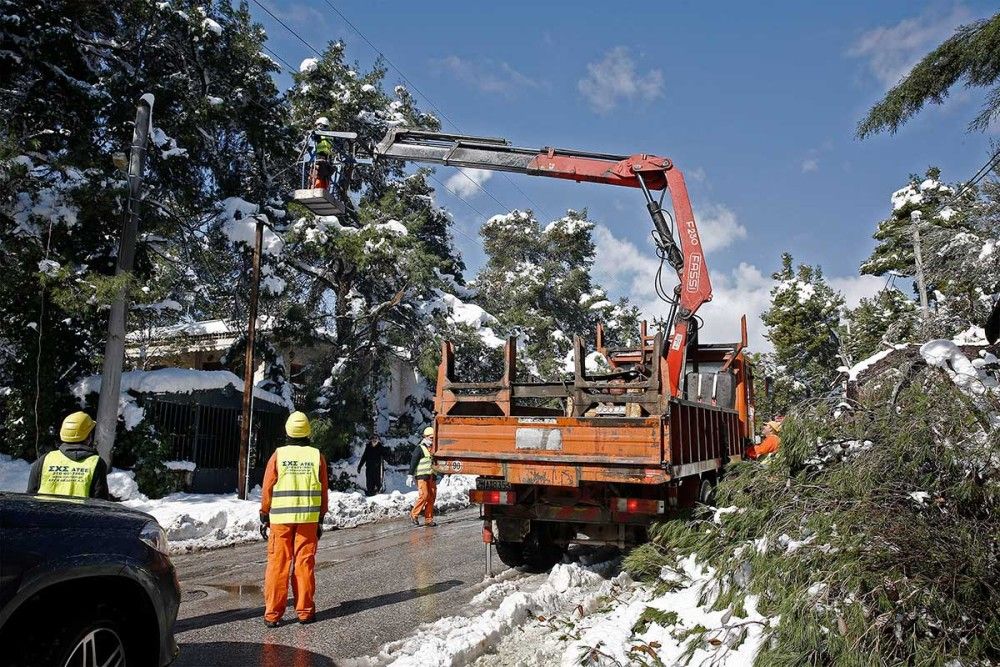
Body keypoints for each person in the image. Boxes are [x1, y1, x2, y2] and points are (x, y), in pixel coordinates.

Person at [259, 411, 329, 627]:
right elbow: (323, 490)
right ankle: (305, 612)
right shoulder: (317, 456)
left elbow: (268, 486)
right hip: (307, 520)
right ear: (308, 431)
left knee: (278, 565)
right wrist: (320, 518)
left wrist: (264, 513)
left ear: (288, 431)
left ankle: (272, 615)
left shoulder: (278, 455)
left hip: (280, 520)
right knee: (304, 564)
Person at [27, 411, 109, 499]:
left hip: (45, 512)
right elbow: (100, 502)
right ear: (89, 437)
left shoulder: (44, 460)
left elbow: (30, 497)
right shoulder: (96, 463)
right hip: (80, 513)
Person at [407, 426, 436, 527]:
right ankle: (414, 514)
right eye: (431, 437)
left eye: (434, 437)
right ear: (426, 437)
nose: (432, 439)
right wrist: (410, 475)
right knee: (424, 496)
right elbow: (413, 461)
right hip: (422, 476)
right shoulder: (420, 448)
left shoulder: (434, 448)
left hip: (432, 476)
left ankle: (428, 519)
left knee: (431, 497)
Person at [311, 117, 334, 190]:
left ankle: (322, 189)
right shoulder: (320, 134)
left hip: (324, 156)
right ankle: (319, 188)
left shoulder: (325, 135)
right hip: (322, 156)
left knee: (324, 174)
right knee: (322, 173)